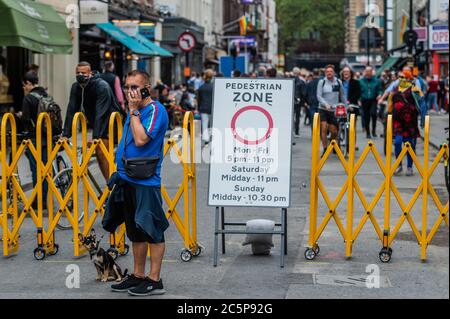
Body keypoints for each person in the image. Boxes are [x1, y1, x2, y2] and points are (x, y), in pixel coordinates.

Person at [106, 70, 169, 296]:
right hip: (127, 178)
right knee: (136, 231)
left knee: (152, 229)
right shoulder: (136, 111)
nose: (129, 91)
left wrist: (132, 112)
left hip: (146, 180)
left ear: (146, 89)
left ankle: (154, 279)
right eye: (127, 86)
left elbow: (142, 140)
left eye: (134, 87)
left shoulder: (154, 111)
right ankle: (138, 275)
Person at [63, 61, 117, 181]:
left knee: (101, 153)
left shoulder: (101, 86)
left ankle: (113, 189)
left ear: (90, 73)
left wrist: (95, 137)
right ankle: (112, 187)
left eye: (83, 73)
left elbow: (101, 113)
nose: (80, 75)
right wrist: (65, 134)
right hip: (97, 123)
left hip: (110, 123)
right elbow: (71, 109)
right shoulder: (76, 87)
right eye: (78, 73)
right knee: (100, 155)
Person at [20, 71, 49, 209]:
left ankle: (38, 201)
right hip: (47, 138)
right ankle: (44, 198)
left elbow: (25, 119)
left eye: (24, 85)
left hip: (34, 139)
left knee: (36, 170)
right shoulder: (46, 94)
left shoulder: (28, 98)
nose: (23, 88)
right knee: (45, 169)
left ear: (28, 83)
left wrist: (20, 116)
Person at [389, 70, 421, 176]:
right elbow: (392, 106)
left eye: (403, 77)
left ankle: (409, 167)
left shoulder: (414, 91)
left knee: (410, 145)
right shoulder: (396, 92)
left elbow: (418, 106)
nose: (401, 79)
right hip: (399, 123)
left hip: (410, 123)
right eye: (400, 77)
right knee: (398, 142)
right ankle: (399, 165)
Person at [317, 65, 346, 154]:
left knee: (334, 131)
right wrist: (325, 104)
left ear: (334, 73)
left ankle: (333, 144)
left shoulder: (338, 82)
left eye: (331, 71)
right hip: (323, 109)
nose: (329, 73)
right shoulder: (322, 82)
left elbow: (342, 95)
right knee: (324, 128)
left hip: (334, 110)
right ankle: (325, 149)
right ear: (325, 73)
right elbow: (318, 96)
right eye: (327, 71)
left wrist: (346, 106)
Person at [359, 66, 382, 139]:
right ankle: (368, 133)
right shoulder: (361, 81)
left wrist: (379, 94)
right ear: (365, 72)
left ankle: (374, 130)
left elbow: (380, 89)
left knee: (373, 114)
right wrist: (359, 99)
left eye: (369, 71)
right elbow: (358, 91)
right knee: (366, 117)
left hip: (373, 100)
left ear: (372, 72)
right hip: (364, 100)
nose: (368, 73)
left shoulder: (377, 81)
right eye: (367, 71)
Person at [197, 69, 214, 145]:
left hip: (203, 107)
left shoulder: (201, 87)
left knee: (204, 123)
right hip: (212, 107)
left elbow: (199, 99)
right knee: (212, 123)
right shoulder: (214, 86)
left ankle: (206, 138)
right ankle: (212, 136)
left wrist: (198, 108)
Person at [293, 67, 307, 136]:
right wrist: (303, 102)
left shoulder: (289, 80)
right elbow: (303, 93)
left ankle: (290, 130)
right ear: (299, 73)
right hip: (298, 101)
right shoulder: (301, 82)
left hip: (290, 101)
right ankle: (296, 131)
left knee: (291, 116)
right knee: (297, 116)